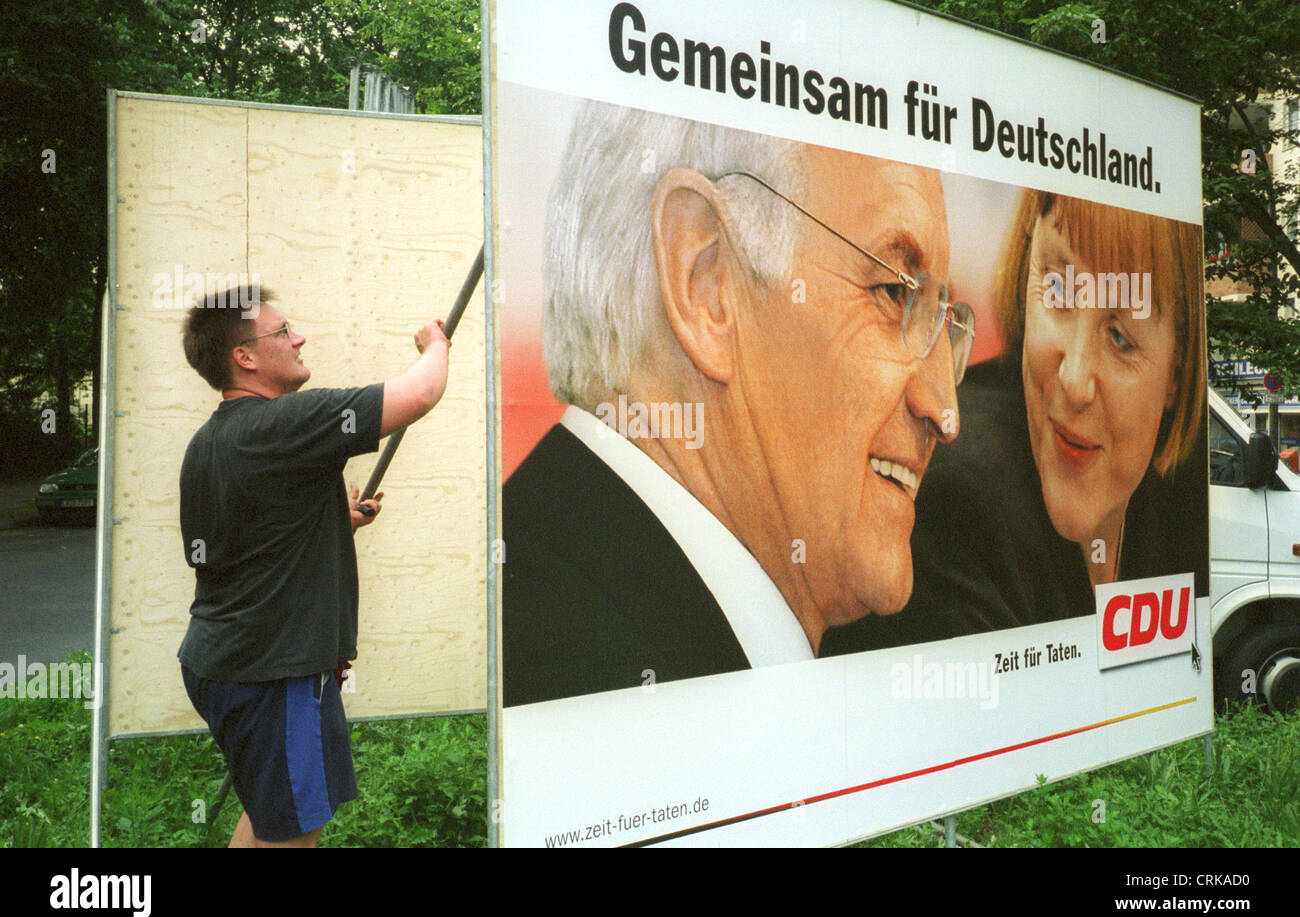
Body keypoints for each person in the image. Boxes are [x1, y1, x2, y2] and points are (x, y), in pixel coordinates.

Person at [503, 102, 973, 706]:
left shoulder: (570, 590)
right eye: (893, 293)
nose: (946, 410)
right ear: (707, 286)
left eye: (943, 320)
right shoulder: (581, 674)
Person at [820, 191, 1208, 655]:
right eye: (1059, 290)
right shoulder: (955, 511)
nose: (1073, 379)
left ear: (1176, 376)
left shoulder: (1183, 493)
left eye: (1121, 337)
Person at [178, 285, 450, 846]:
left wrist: (330, 520)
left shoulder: (210, 443)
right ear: (244, 357)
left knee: (269, 812)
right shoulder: (289, 422)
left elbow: (241, 544)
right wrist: (435, 344)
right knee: (295, 834)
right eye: (281, 332)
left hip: (223, 663)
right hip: (273, 673)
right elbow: (420, 394)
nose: (297, 337)